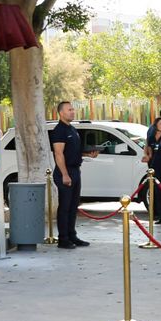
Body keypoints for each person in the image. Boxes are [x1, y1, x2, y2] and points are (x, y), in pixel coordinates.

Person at [50, 100, 99, 250]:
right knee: (64, 207)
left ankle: (72, 235)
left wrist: (88, 154)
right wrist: (65, 175)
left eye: (73, 109)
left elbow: (73, 151)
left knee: (73, 206)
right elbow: (58, 154)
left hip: (75, 170)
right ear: (61, 113)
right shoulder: (59, 130)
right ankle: (63, 239)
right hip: (65, 172)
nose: (73, 111)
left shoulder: (72, 129)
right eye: (69, 109)